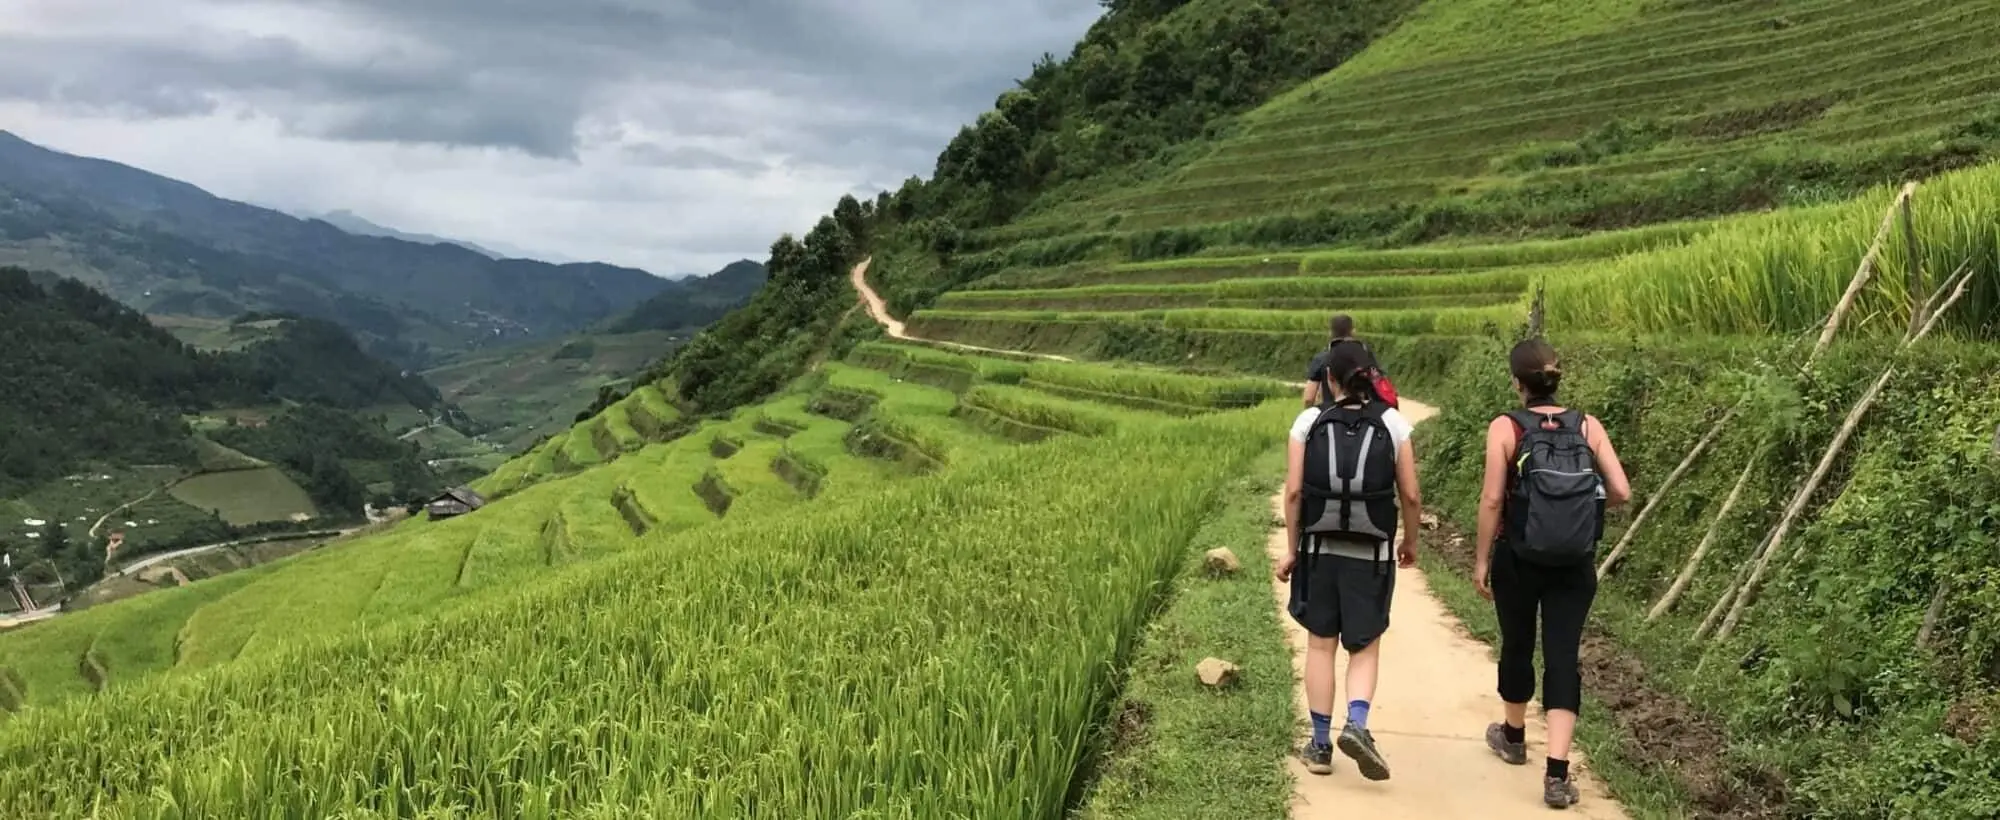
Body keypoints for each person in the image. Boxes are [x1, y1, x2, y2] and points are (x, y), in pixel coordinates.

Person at [1472, 338, 1631, 809]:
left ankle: (1513, 735)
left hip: (1518, 558)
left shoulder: (1505, 427)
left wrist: (1481, 560)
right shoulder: (1587, 425)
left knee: (1517, 643)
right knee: (1562, 656)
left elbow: (1492, 500)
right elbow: (1621, 490)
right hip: (1574, 563)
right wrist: (1578, 511)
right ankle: (1557, 775)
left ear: (1517, 383)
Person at [1277, 341, 1423, 781]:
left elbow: (1294, 493)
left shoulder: (1309, 421)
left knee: (1321, 644)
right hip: (1372, 554)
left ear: (1329, 378)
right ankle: (1357, 724)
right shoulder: (1393, 422)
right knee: (1364, 645)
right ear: (1372, 376)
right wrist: (1409, 542)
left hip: (1318, 551)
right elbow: (1411, 494)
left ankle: (1320, 746)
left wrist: (1292, 548)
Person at [1304, 314, 1398, 409]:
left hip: (1331, 412)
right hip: (1363, 412)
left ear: (1330, 333)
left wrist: (1311, 414)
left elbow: (1309, 398)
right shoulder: (1365, 354)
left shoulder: (1322, 358)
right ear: (1353, 331)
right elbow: (1378, 382)